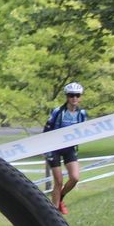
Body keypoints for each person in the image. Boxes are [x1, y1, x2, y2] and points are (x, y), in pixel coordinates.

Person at [44, 82, 89, 215]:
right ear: (67, 97)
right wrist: (44, 147)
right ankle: (54, 213)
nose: (74, 98)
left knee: (75, 178)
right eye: (71, 95)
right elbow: (46, 129)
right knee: (58, 181)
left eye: (77, 95)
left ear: (80, 97)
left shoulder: (82, 113)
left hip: (69, 148)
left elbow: (83, 130)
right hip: (54, 148)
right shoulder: (58, 111)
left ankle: (60, 198)